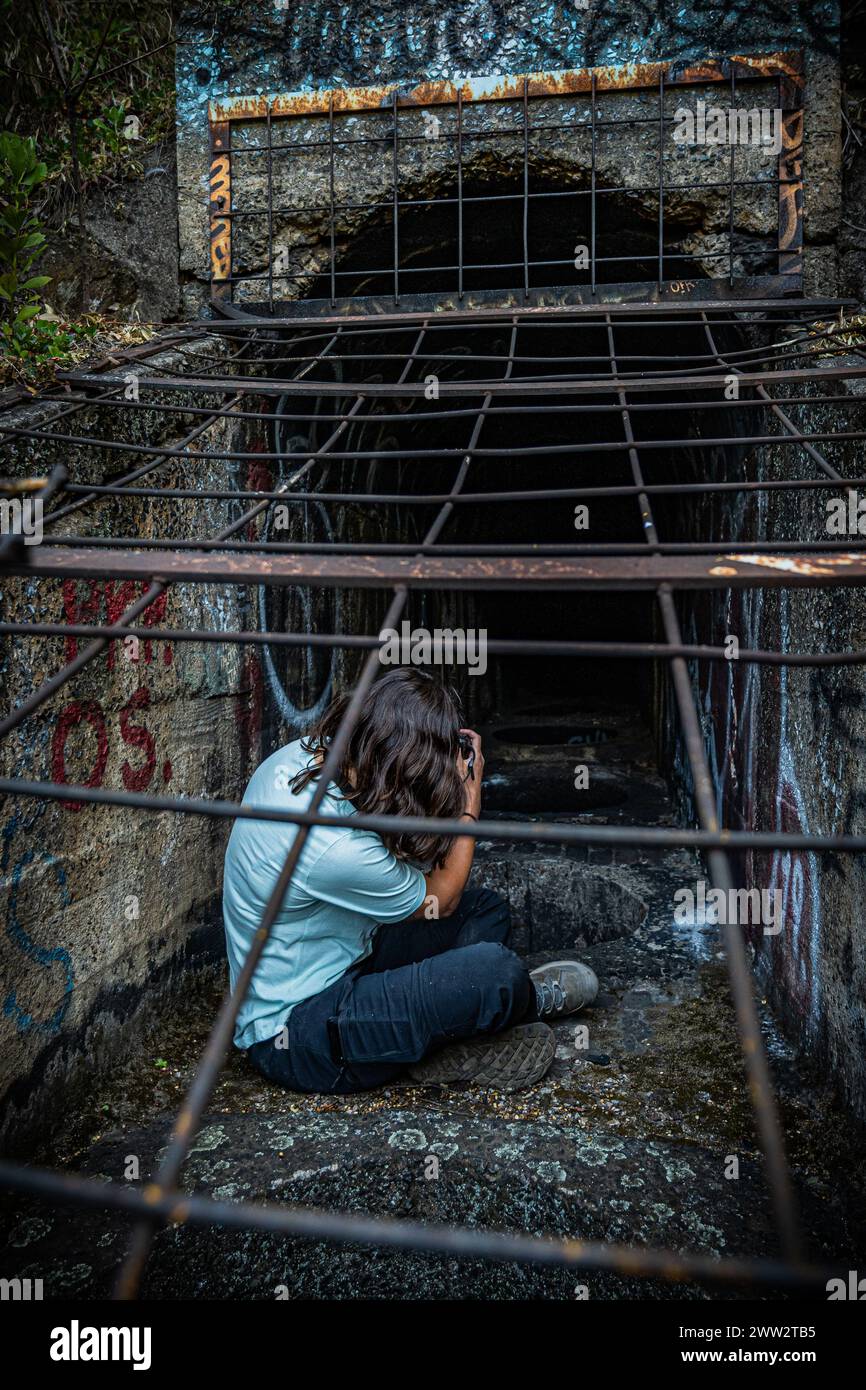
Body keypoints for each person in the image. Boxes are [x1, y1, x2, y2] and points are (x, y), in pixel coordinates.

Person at [222, 667, 598, 1093]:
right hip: (299, 1033)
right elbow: (444, 896)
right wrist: (468, 804)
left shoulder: (306, 758)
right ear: (402, 767)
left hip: (349, 954)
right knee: (496, 973)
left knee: (486, 911)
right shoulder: (333, 849)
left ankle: (437, 1041)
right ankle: (515, 1005)